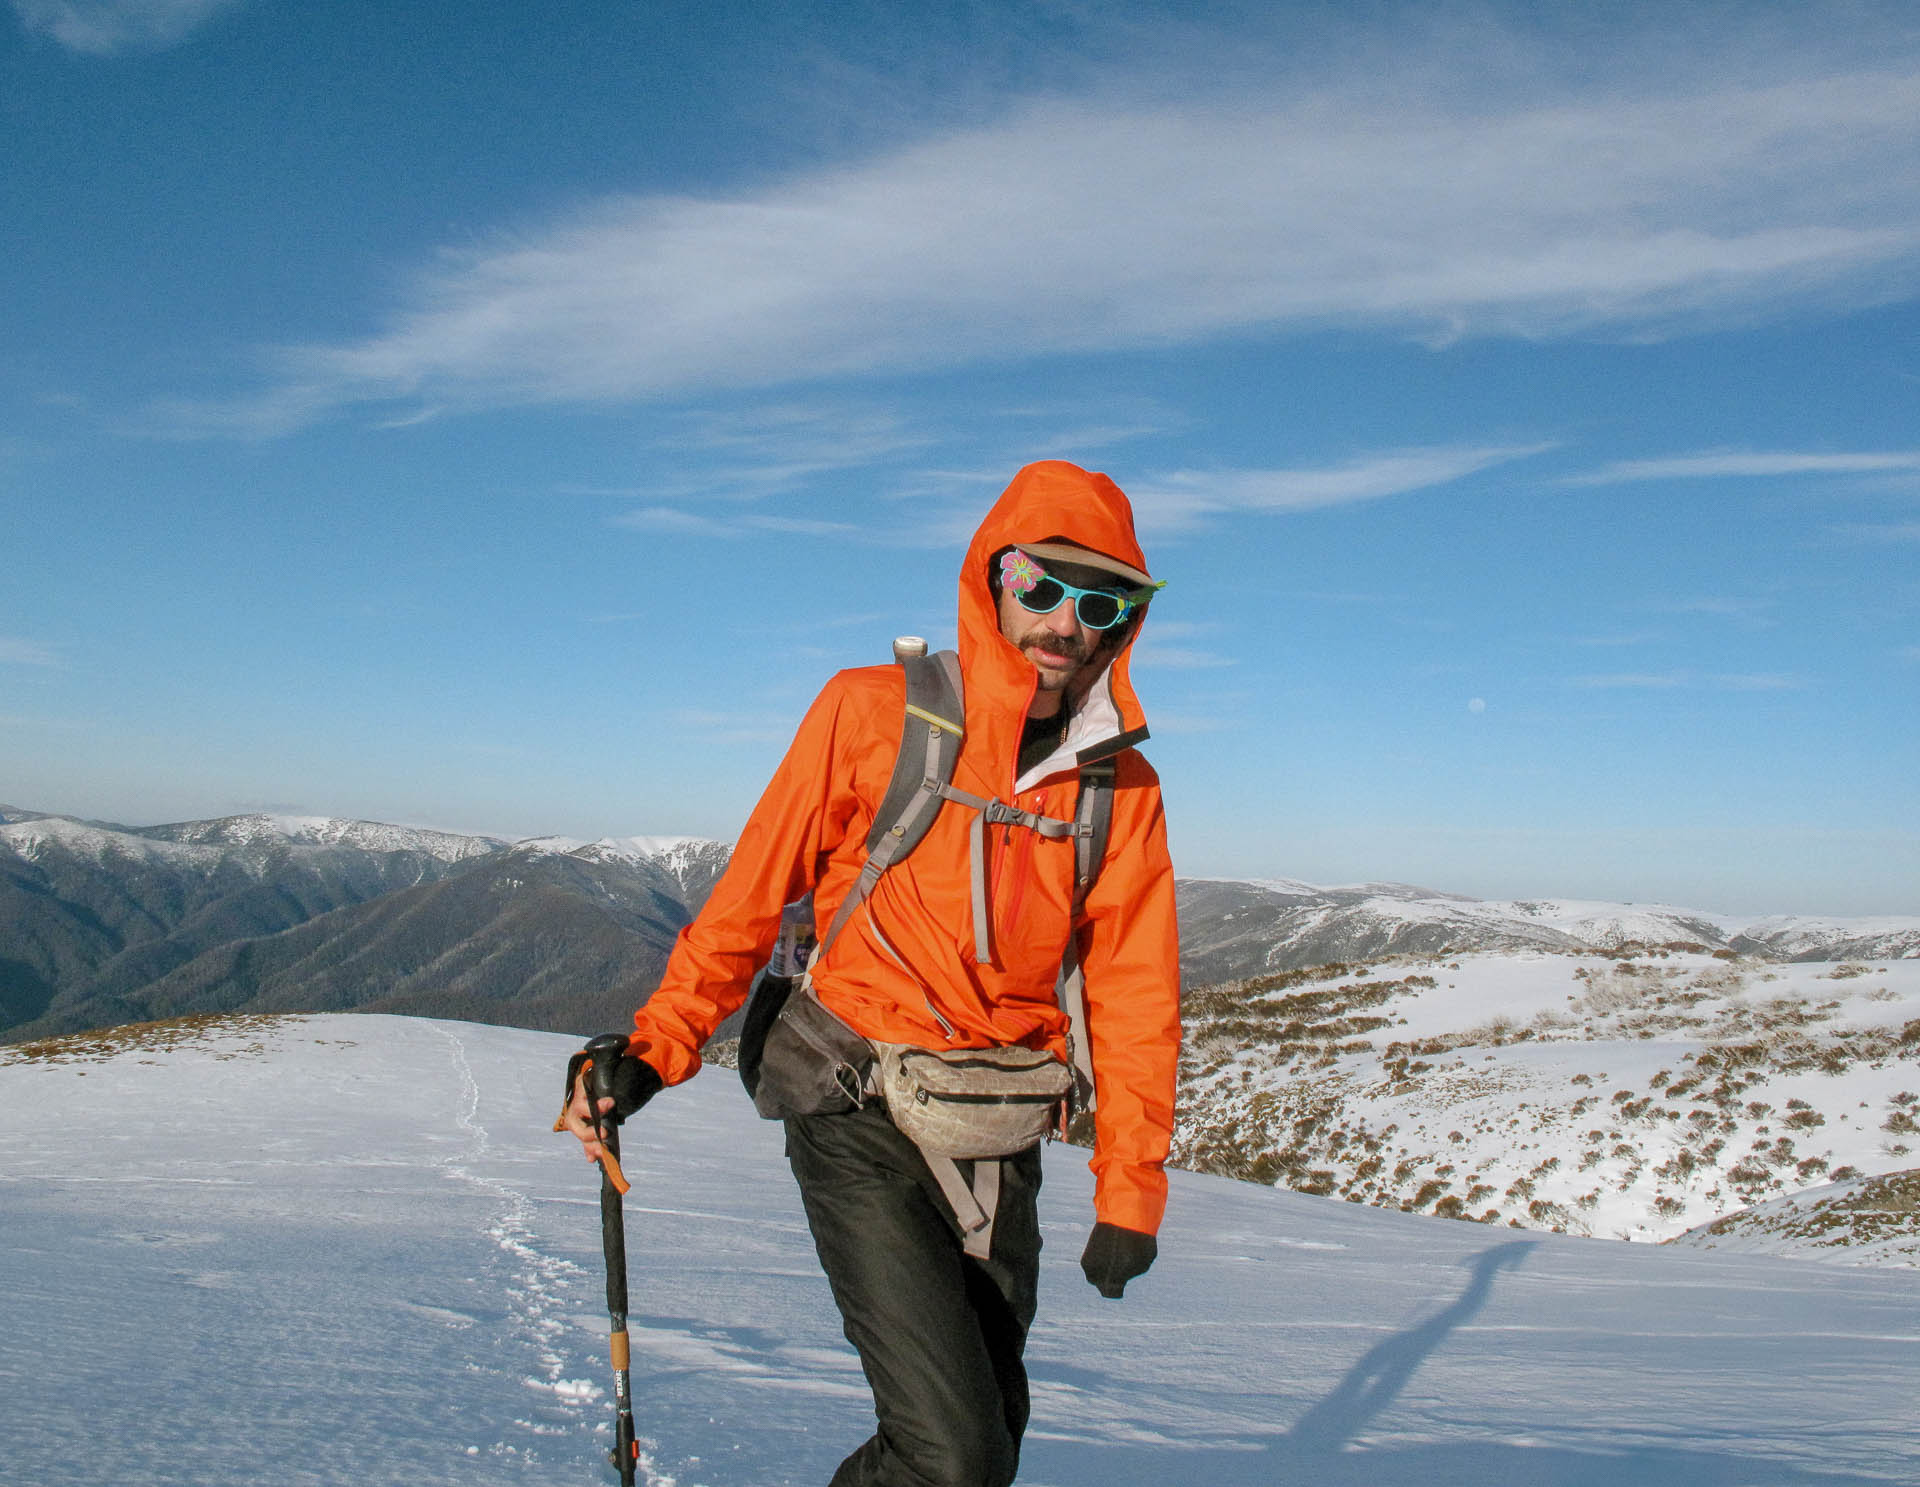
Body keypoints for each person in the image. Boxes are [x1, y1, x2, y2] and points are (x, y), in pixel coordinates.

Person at [560, 459, 1181, 1487]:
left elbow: (1133, 986)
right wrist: (658, 1045)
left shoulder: (1121, 781)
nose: (1066, 622)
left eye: (1103, 600)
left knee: (985, 1444)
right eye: (1042, 585)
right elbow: (752, 897)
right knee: (955, 1453)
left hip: (999, 1120)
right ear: (992, 579)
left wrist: (1133, 1187)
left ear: (1126, 623)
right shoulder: (872, 711)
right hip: (856, 1094)